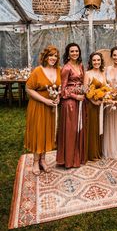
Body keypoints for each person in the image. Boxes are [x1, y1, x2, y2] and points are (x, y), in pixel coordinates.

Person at [24, 45, 61, 175]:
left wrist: (58, 98)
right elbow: (28, 88)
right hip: (38, 106)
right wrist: (45, 100)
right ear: (45, 57)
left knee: (47, 132)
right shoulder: (38, 71)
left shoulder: (58, 70)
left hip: (51, 108)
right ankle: (35, 161)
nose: (53, 58)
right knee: (38, 132)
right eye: (51, 55)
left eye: (55, 56)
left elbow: (59, 89)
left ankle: (43, 160)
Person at [56, 43, 87, 168]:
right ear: (68, 53)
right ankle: (68, 160)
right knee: (70, 131)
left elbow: (82, 82)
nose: (75, 53)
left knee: (78, 129)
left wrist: (84, 92)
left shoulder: (80, 65)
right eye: (72, 51)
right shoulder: (66, 68)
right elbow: (62, 90)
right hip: (69, 103)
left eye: (76, 51)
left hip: (80, 101)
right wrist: (75, 96)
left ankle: (77, 157)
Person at [84, 52, 106, 161]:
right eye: (94, 60)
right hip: (91, 105)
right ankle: (91, 153)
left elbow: (106, 88)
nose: (96, 62)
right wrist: (93, 101)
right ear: (91, 62)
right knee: (92, 127)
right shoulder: (87, 73)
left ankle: (98, 151)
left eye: (98, 60)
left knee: (100, 127)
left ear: (101, 61)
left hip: (101, 104)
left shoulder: (103, 73)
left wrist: (103, 97)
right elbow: (85, 90)